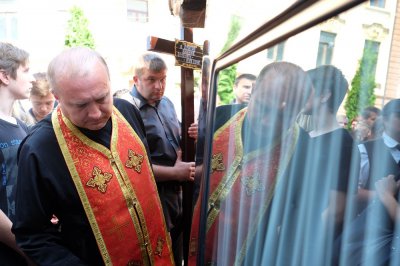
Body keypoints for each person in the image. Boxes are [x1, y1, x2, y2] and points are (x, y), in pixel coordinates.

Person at [12, 47, 174, 265]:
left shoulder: (126, 111)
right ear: (57, 97)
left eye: (102, 98)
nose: (96, 113)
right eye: (81, 105)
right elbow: (32, 234)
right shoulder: (39, 148)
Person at [188, 61, 313, 265]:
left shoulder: (304, 150)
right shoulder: (221, 117)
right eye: (263, 108)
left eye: (282, 116)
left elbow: (297, 220)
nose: (267, 121)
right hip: (198, 245)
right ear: (254, 90)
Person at [117, 51, 195, 266]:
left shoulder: (167, 103)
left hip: (178, 197)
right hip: (152, 199)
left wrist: (193, 134)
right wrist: (175, 172)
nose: (159, 86)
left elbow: (176, 139)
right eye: (151, 80)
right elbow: (130, 167)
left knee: (178, 254)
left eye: (163, 80)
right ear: (136, 79)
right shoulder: (126, 110)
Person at [296, 65, 359, 265]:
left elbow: (337, 209)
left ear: (324, 95)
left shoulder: (343, 144)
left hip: (313, 247)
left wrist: (297, 236)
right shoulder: (303, 137)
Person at [339, 99, 400, 265]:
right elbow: (351, 191)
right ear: (385, 119)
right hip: (366, 236)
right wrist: (383, 195)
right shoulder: (364, 150)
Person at [0, 42, 33, 266]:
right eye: (26, 71)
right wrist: (25, 248)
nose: (31, 79)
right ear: (5, 76)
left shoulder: (23, 126)